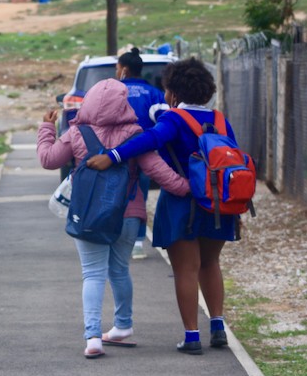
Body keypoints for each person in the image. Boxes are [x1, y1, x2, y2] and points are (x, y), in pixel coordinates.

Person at [87, 57, 235, 355]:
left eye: (167, 91)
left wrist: (112, 156)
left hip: (183, 204)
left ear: (175, 94)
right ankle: (218, 327)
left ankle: (192, 336)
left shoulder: (174, 120)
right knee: (210, 263)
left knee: (186, 269)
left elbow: (147, 141)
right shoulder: (220, 120)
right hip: (218, 204)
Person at [37, 79, 189, 359]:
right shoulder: (135, 135)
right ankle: (122, 325)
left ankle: (93, 337)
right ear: (124, 104)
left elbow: (48, 159)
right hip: (129, 214)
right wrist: (188, 189)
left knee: (92, 274)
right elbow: (159, 172)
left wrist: (46, 128)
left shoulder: (77, 133)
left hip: (89, 214)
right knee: (119, 270)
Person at [117, 47, 167, 259]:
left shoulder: (115, 91)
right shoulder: (155, 94)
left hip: (117, 153)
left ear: (124, 70)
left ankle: (115, 236)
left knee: (115, 194)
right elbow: (165, 123)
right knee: (140, 196)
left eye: (116, 68)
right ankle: (137, 242)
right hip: (146, 154)